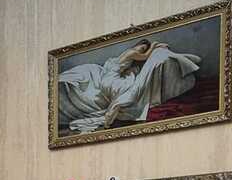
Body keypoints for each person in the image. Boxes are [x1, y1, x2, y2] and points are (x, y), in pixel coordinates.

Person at [57, 37, 201, 131]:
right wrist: (154, 46)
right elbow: (145, 56)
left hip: (109, 79)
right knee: (133, 92)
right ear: (136, 46)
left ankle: (116, 108)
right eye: (141, 48)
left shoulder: (123, 56)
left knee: (133, 90)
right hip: (111, 81)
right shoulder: (131, 52)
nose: (141, 51)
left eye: (143, 49)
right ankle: (117, 106)